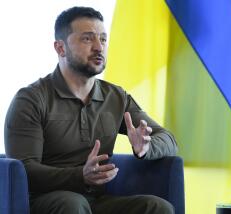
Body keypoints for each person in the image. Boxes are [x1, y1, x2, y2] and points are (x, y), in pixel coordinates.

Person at [4, 6, 177, 214]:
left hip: (97, 200)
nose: (99, 47)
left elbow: (168, 139)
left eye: (103, 39)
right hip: (46, 200)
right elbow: (24, 170)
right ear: (60, 48)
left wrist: (145, 148)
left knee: (158, 207)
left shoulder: (116, 97)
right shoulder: (31, 99)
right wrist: (80, 176)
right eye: (87, 39)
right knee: (72, 204)